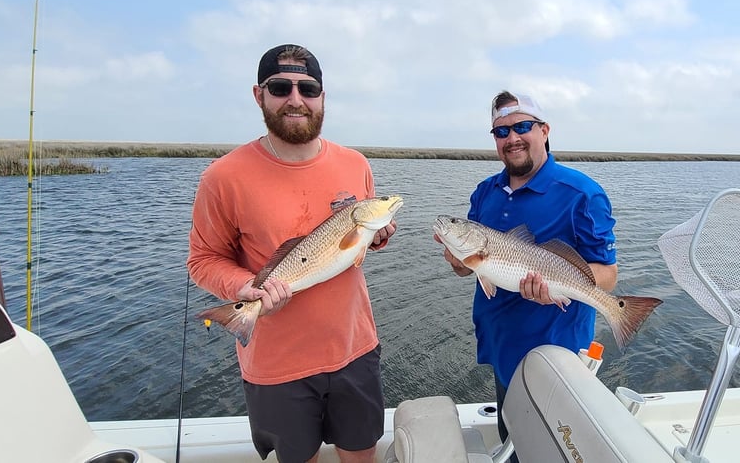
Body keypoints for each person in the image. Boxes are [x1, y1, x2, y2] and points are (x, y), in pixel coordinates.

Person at [187, 44, 396, 463]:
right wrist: (246, 288)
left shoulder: (355, 163)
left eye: (309, 88)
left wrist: (376, 237)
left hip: (354, 349)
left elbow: (352, 247)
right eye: (280, 87)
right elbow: (203, 259)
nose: (296, 99)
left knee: (362, 453)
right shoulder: (222, 176)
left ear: (323, 96)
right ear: (258, 94)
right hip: (276, 363)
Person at [436, 91, 618, 461]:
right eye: (501, 132)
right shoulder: (485, 192)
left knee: (549, 450)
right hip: (502, 346)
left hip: (556, 353)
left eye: (522, 127)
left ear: (545, 130)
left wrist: (556, 280)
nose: (512, 138)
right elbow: (473, 266)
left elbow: (609, 275)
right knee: (510, 435)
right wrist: (460, 261)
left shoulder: (582, 193)